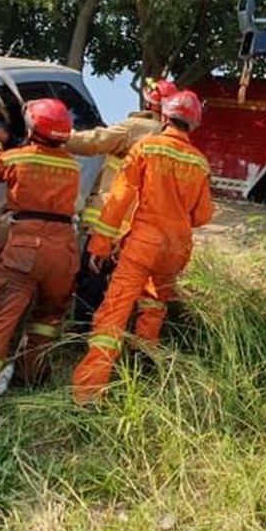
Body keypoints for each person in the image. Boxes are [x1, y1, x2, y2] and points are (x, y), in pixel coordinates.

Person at [71, 90, 213, 405]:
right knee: (153, 305)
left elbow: (119, 199)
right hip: (175, 249)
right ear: (194, 125)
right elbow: (202, 216)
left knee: (114, 311)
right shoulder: (199, 163)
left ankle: (88, 392)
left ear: (165, 117)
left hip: (142, 245)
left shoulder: (146, 147)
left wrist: (100, 243)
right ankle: (142, 365)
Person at [0, 99, 80, 434]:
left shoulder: (19, 157)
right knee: (48, 317)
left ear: (31, 128)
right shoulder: (71, 166)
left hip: (26, 248)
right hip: (63, 251)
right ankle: (31, 375)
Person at [63, 78, 175, 329]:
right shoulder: (175, 145)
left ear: (149, 101)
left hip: (109, 222)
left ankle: (81, 334)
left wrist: (58, 134)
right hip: (143, 232)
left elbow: (94, 141)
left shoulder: (138, 127)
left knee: (92, 281)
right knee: (124, 289)